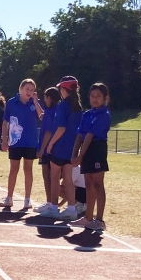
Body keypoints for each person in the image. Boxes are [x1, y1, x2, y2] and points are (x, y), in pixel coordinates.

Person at [71, 82, 111, 231]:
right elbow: (80, 135)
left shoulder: (104, 114)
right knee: (88, 183)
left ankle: (99, 220)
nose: (95, 99)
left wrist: (80, 157)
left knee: (98, 184)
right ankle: (88, 218)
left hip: (97, 148)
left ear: (105, 98)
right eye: (92, 96)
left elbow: (89, 136)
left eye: (98, 96)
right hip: (85, 150)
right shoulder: (87, 114)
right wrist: (74, 154)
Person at [42, 77, 83, 220]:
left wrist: (51, 144)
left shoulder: (62, 106)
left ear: (64, 90)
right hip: (72, 148)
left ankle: (54, 208)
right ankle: (71, 209)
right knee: (68, 179)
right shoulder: (78, 107)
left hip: (60, 147)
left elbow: (61, 128)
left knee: (54, 177)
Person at [0, 79, 40, 209]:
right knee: (14, 169)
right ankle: (9, 198)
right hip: (15, 142)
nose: (29, 92)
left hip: (30, 141)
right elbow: (5, 121)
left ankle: (27, 200)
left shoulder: (34, 103)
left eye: (32, 90)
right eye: (27, 89)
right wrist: (4, 139)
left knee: (28, 169)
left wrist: (35, 101)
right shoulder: (11, 103)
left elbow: (42, 116)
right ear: (20, 89)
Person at [33, 87, 60, 214]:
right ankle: (50, 202)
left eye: (45, 97)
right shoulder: (53, 111)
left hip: (47, 150)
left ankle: (50, 202)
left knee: (47, 176)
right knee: (49, 176)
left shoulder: (51, 112)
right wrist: (35, 101)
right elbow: (41, 115)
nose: (44, 100)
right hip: (52, 149)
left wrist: (41, 150)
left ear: (49, 98)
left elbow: (48, 132)